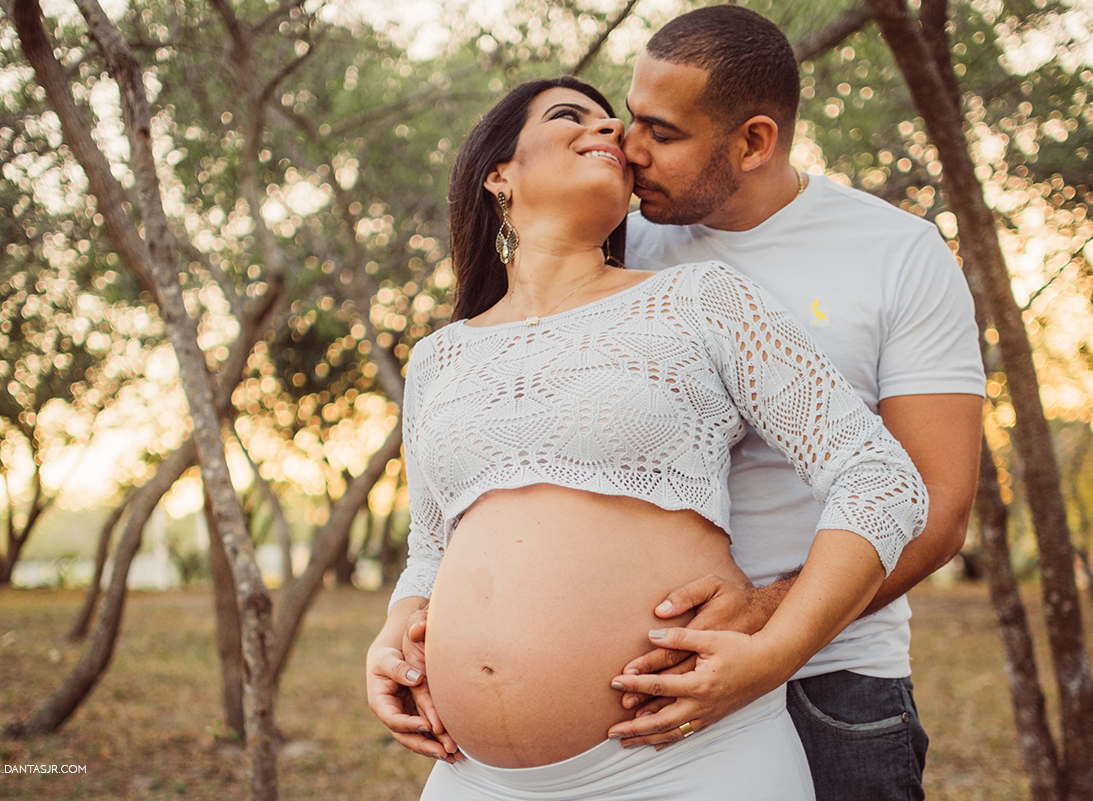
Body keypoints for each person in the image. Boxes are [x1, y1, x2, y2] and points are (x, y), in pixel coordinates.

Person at [366, 73, 929, 800]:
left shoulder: (701, 299)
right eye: (573, 116)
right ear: (497, 172)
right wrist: (395, 634)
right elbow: (432, 548)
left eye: (614, 125)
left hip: (688, 762)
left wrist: (772, 651)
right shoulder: (439, 357)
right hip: (474, 777)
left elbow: (878, 477)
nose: (607, 131)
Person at [603, 7, 985, 801]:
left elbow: (940, 510)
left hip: (836, 685)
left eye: (663, 133)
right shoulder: (619, 246)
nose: (629, 150)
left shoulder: (897, 254)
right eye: (631, 117)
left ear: (753, 140)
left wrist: (766, 619)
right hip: (646, 677)